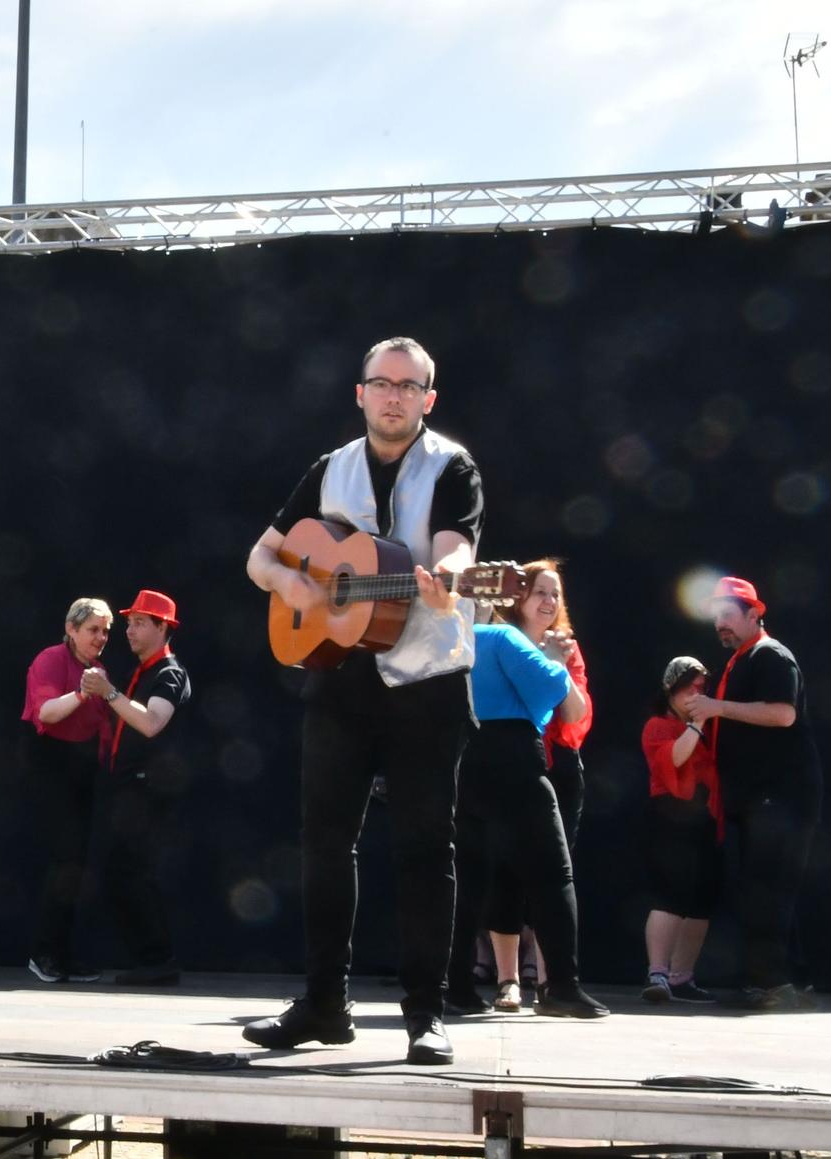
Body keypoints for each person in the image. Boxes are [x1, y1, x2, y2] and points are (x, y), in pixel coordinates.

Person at [241, 336, 482, 1066]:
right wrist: (295, 585)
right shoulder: (329, 469)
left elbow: (458, 549)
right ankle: (324, 1002)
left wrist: (444, 572)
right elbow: (260, 557)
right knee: (323, 843)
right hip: (340, 679)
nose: (394, 396)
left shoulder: (453, 466)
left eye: (410, 386)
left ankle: (424, 1015)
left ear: (428, 399)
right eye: (382, 383)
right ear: (360, 392)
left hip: (426, 684)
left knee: (423, 851)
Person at [445, 609, 607, 1019]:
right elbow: (557, 693)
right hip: (514, 759)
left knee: (465, 880)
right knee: (554, 875)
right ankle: (561, 987)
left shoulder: (447, 640)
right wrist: (553, 656)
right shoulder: (504, 640)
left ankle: (457, 986)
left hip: (460, 763)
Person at [690, 576, 823, 1011]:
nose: (721, 624)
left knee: (768, 888)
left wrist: (716, 708)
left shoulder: (771, 656)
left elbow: (784, 714)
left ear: (754, 615)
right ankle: (787, 980)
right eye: (716, 617)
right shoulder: (742, 660)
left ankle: (771, 984)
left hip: (779, 798)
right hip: (755, 799)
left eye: (729, 615)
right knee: (764, 888)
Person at [481, 560, 592, 1010]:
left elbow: (573, 714)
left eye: (556, 594)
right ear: (518, 598)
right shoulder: (497, 641)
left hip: (556, 766)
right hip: (506, 763)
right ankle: (508, 980)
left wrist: (557, 666)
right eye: (540, 592)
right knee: (501, 871)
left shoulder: (567, 648)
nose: (549, 602)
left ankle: (552, 979)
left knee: (552, 874)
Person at [78, 589, 192, 987]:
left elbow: (151, 723)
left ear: (164, 628)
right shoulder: (144, 673)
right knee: (122, 873)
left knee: (133, 873)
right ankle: (153, 958)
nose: (130, 630)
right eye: (129, 622)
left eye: (141, 622)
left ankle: (159, 959)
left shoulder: (169, 674)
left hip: (146, 789)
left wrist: (107, 692)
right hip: (128, 788)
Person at [21, 598, 114, 984]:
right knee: (62, 862)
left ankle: (62, 953)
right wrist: (80, 693)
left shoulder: (97, 671)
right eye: (93, 629)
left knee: (75, 866)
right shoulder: (51, 660)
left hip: (82, 769)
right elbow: (46, 713)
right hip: (52, 764)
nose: (101, 637)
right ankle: (44, 955)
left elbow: (103, 726)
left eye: (105, 631)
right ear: (72, 629)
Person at [639, 656, 721, 1005]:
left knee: (702, 899)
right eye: (690, 687)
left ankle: (682, 975)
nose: (696, 694)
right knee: (670, 894)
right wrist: (698, 722)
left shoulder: (707, 728)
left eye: (701, 688)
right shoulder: (658, 725)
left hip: (704, 816)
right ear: (673, 689)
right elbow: (673, 759)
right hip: (671, 815)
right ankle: (657, 972)